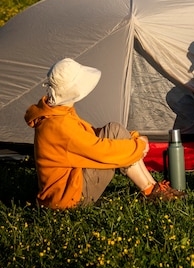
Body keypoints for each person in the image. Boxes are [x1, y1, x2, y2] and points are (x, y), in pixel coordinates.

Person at [24, 58, 185, 209]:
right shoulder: (59, 125)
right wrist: (138, 146)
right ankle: (151, 191)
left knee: (114, 130)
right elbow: (101, 151)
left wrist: (134, 141)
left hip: (65, 188)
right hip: (68, 199)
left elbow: (89, 135)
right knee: (117, 142)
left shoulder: (56, 113)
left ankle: (152, 188)